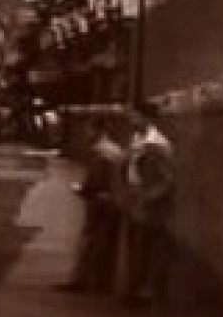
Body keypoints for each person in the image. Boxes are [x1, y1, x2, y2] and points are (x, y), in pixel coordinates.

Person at [58, 115, 126, 293]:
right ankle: (103, 282)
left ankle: (81, 280)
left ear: (97, 130)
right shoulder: (116, 150)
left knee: (89, 240)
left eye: (89, 129)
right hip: (113, 200)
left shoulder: (99, 151)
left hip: (98, 200)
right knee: (106, 243)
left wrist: (81, 189)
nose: (86, 133)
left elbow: (94, 180)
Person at [122, 100, 178, 306]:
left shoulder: (158, 144)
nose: (131, 119)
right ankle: (135, 288)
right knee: (137, 245)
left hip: (150, 202)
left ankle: (147, 291)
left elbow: (167, 179)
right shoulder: (137, 139)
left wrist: (148, 197)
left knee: (149, 246)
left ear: (147, 118)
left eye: (135, 116)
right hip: (136, 197)